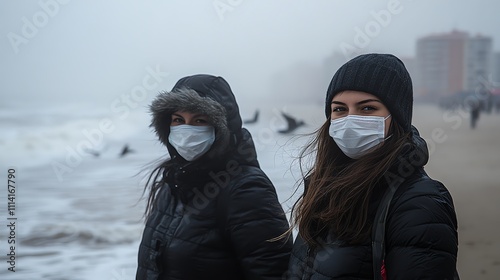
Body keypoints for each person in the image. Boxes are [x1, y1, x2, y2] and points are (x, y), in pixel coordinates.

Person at [285, 54, 459, 279]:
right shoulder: (322, 189)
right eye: (339, 109)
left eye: (367, 109)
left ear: (395, 118)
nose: (350, 120)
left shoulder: (419, 204)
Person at [136, 74, 292, 280]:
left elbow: (272, 273)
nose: (187, 130)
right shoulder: (172, 182)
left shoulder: (247, 190)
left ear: (222, 127)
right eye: (178, 120)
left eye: (199, 120)